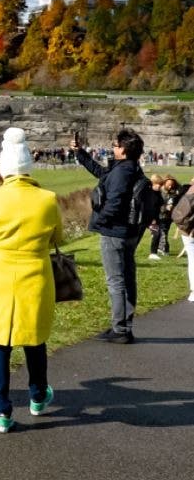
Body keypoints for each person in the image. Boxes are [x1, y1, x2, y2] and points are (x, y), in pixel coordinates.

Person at [0, 127, 63, 434]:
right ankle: (37, 395)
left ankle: (1, 411)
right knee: (34, 341)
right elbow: (57, 238)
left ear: (4, 169)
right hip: (35, 276)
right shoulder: (47, 199)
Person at [71, 128, 146, 344]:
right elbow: (101, 172)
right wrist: (80, 153)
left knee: (116, 281)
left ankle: (119, 329)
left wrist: (101, 220)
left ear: (123, 149)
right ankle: (125, 326)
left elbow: (115, 202)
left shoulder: (123, 172)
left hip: (115, 232)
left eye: (115, 145)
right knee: (127, 279)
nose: (113, 148)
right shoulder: (129, 168)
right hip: (128, 232)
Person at [149, 175, 181, 260]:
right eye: (169, 184)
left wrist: (172, 207)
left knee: (162, 233)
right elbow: (156, 204)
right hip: (156, 216)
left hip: (166, 217)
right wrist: (165, 207)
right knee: (158, 233)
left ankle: (160, 250)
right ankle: (160, 250)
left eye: (172, 184)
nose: (170, 186)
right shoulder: (158, 192)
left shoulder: (174, 193)